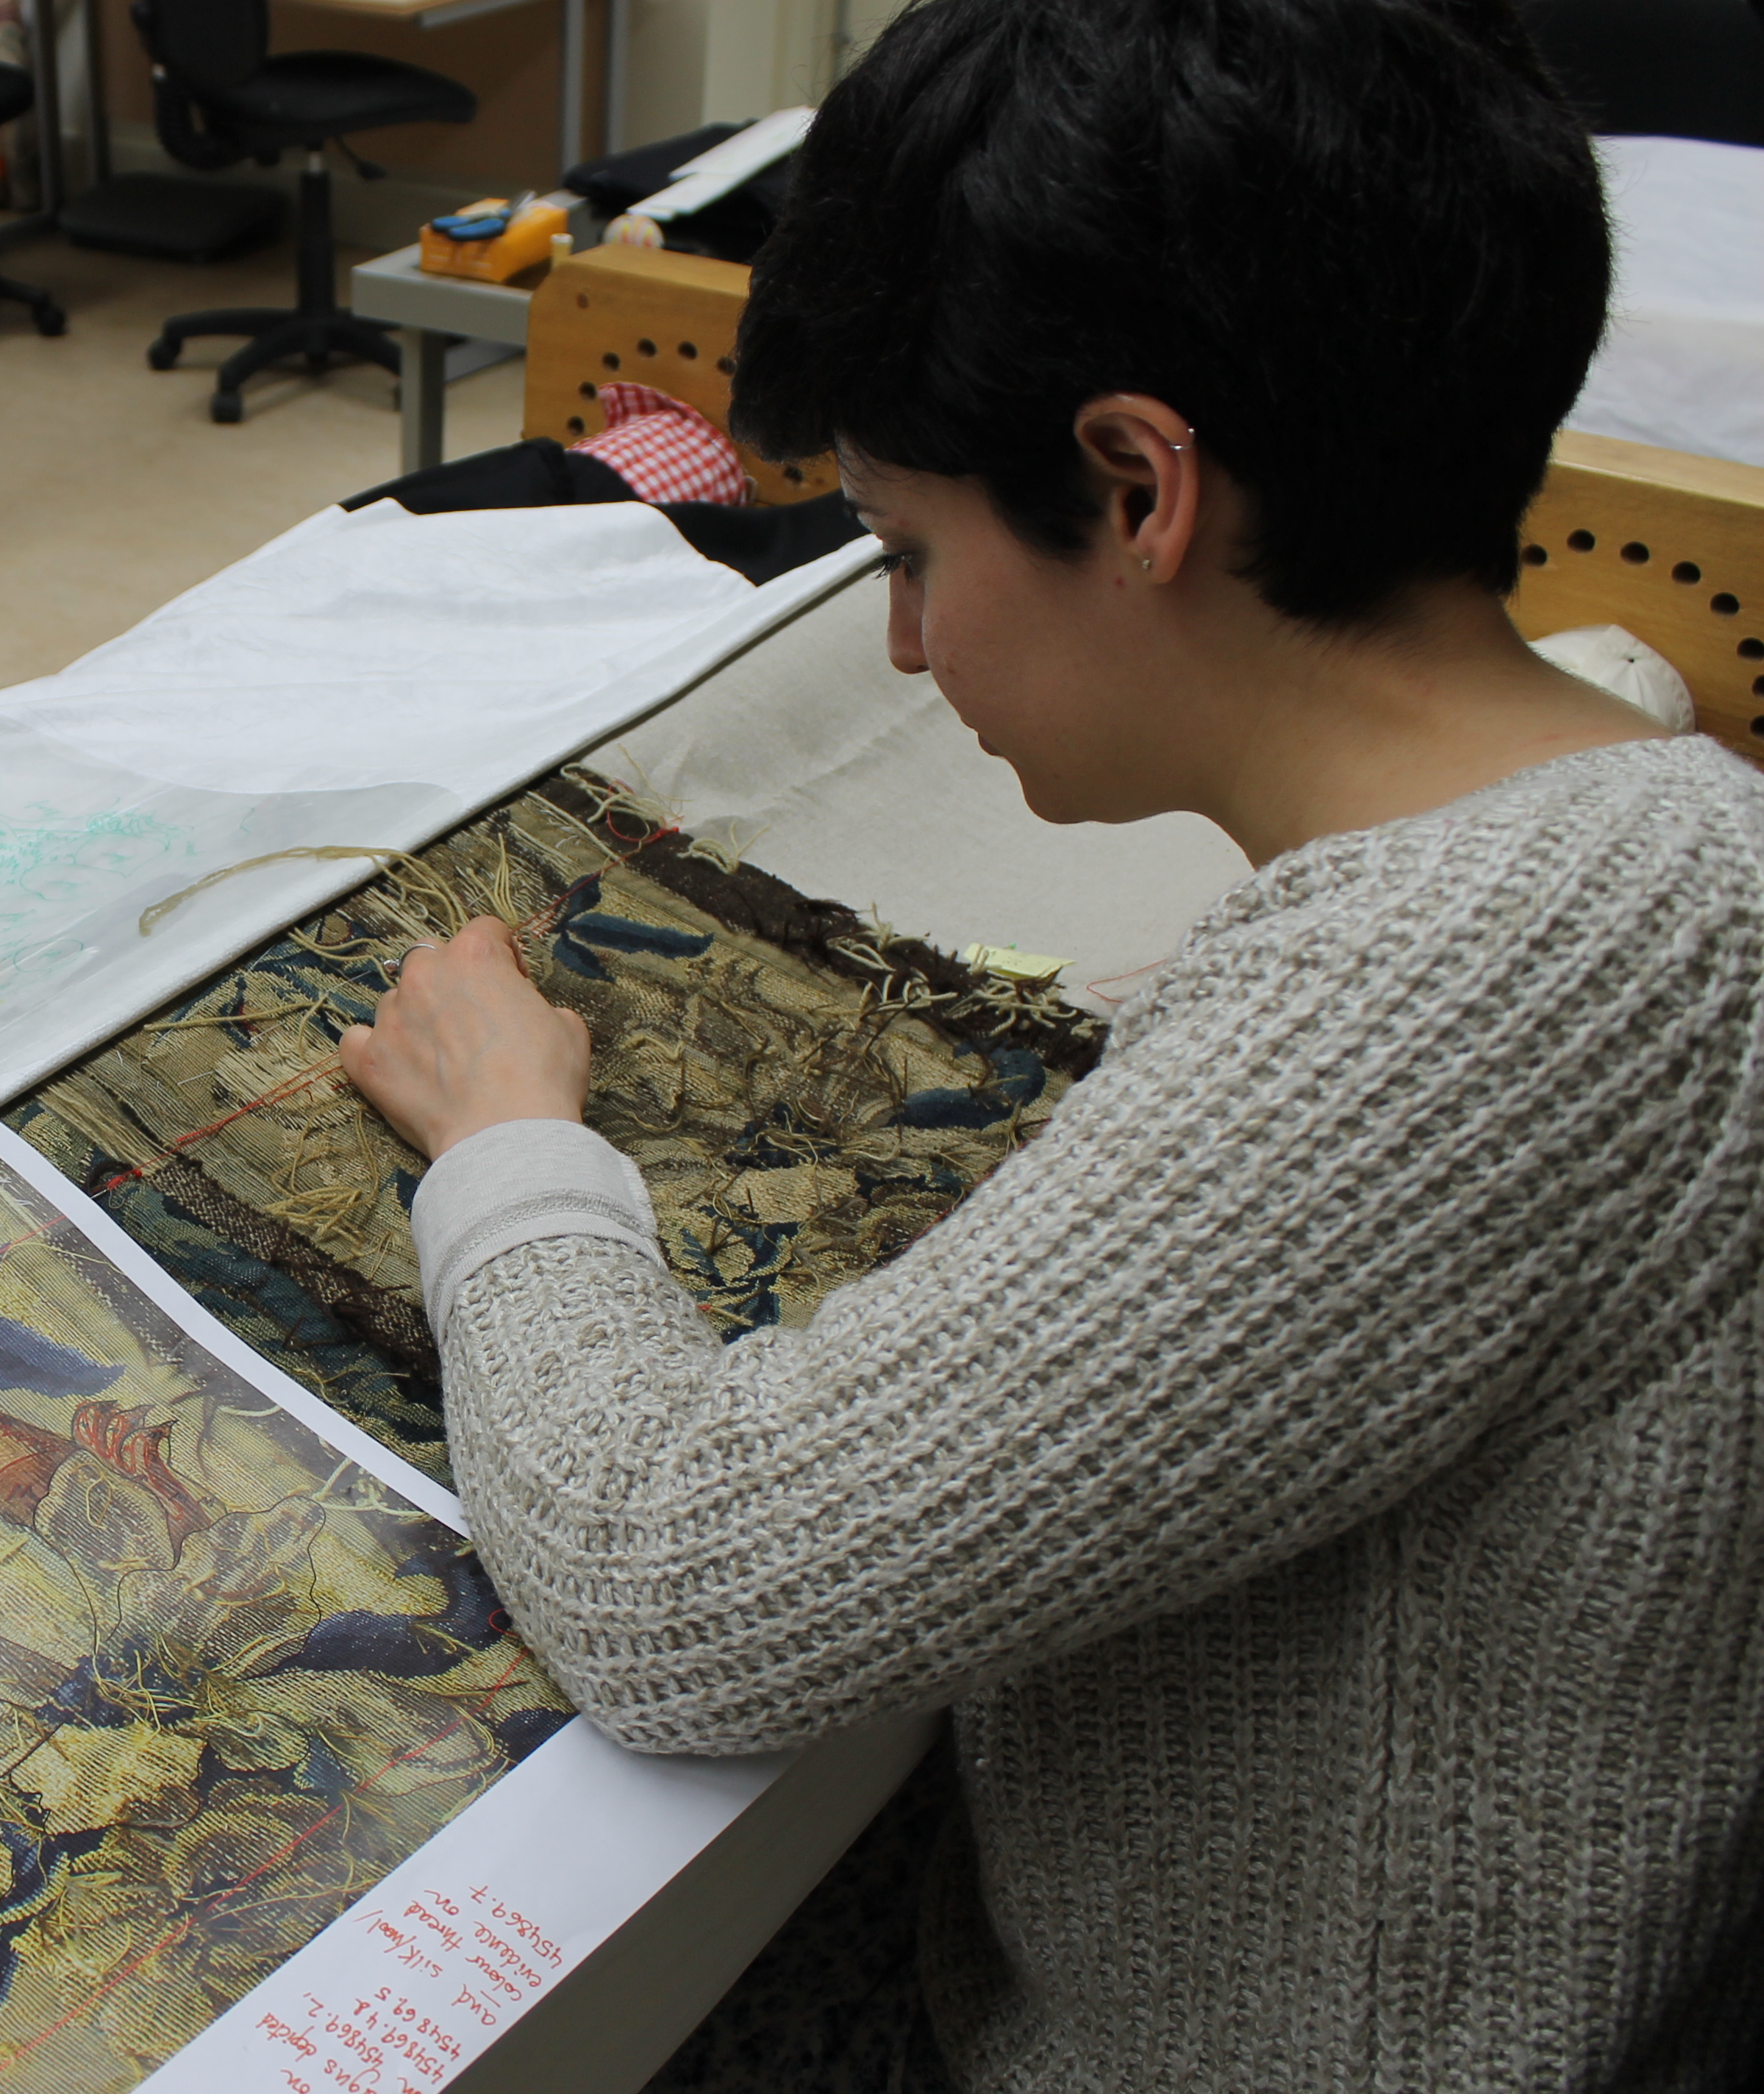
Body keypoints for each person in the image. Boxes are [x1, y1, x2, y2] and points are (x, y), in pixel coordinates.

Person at [336, 0, 1764, 2086]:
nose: (905, 644)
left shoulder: (1469, 981)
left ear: (1134, 482)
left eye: (912, 554)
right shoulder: (1659, 820)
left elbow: (675, 1589)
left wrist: (509, 1142)